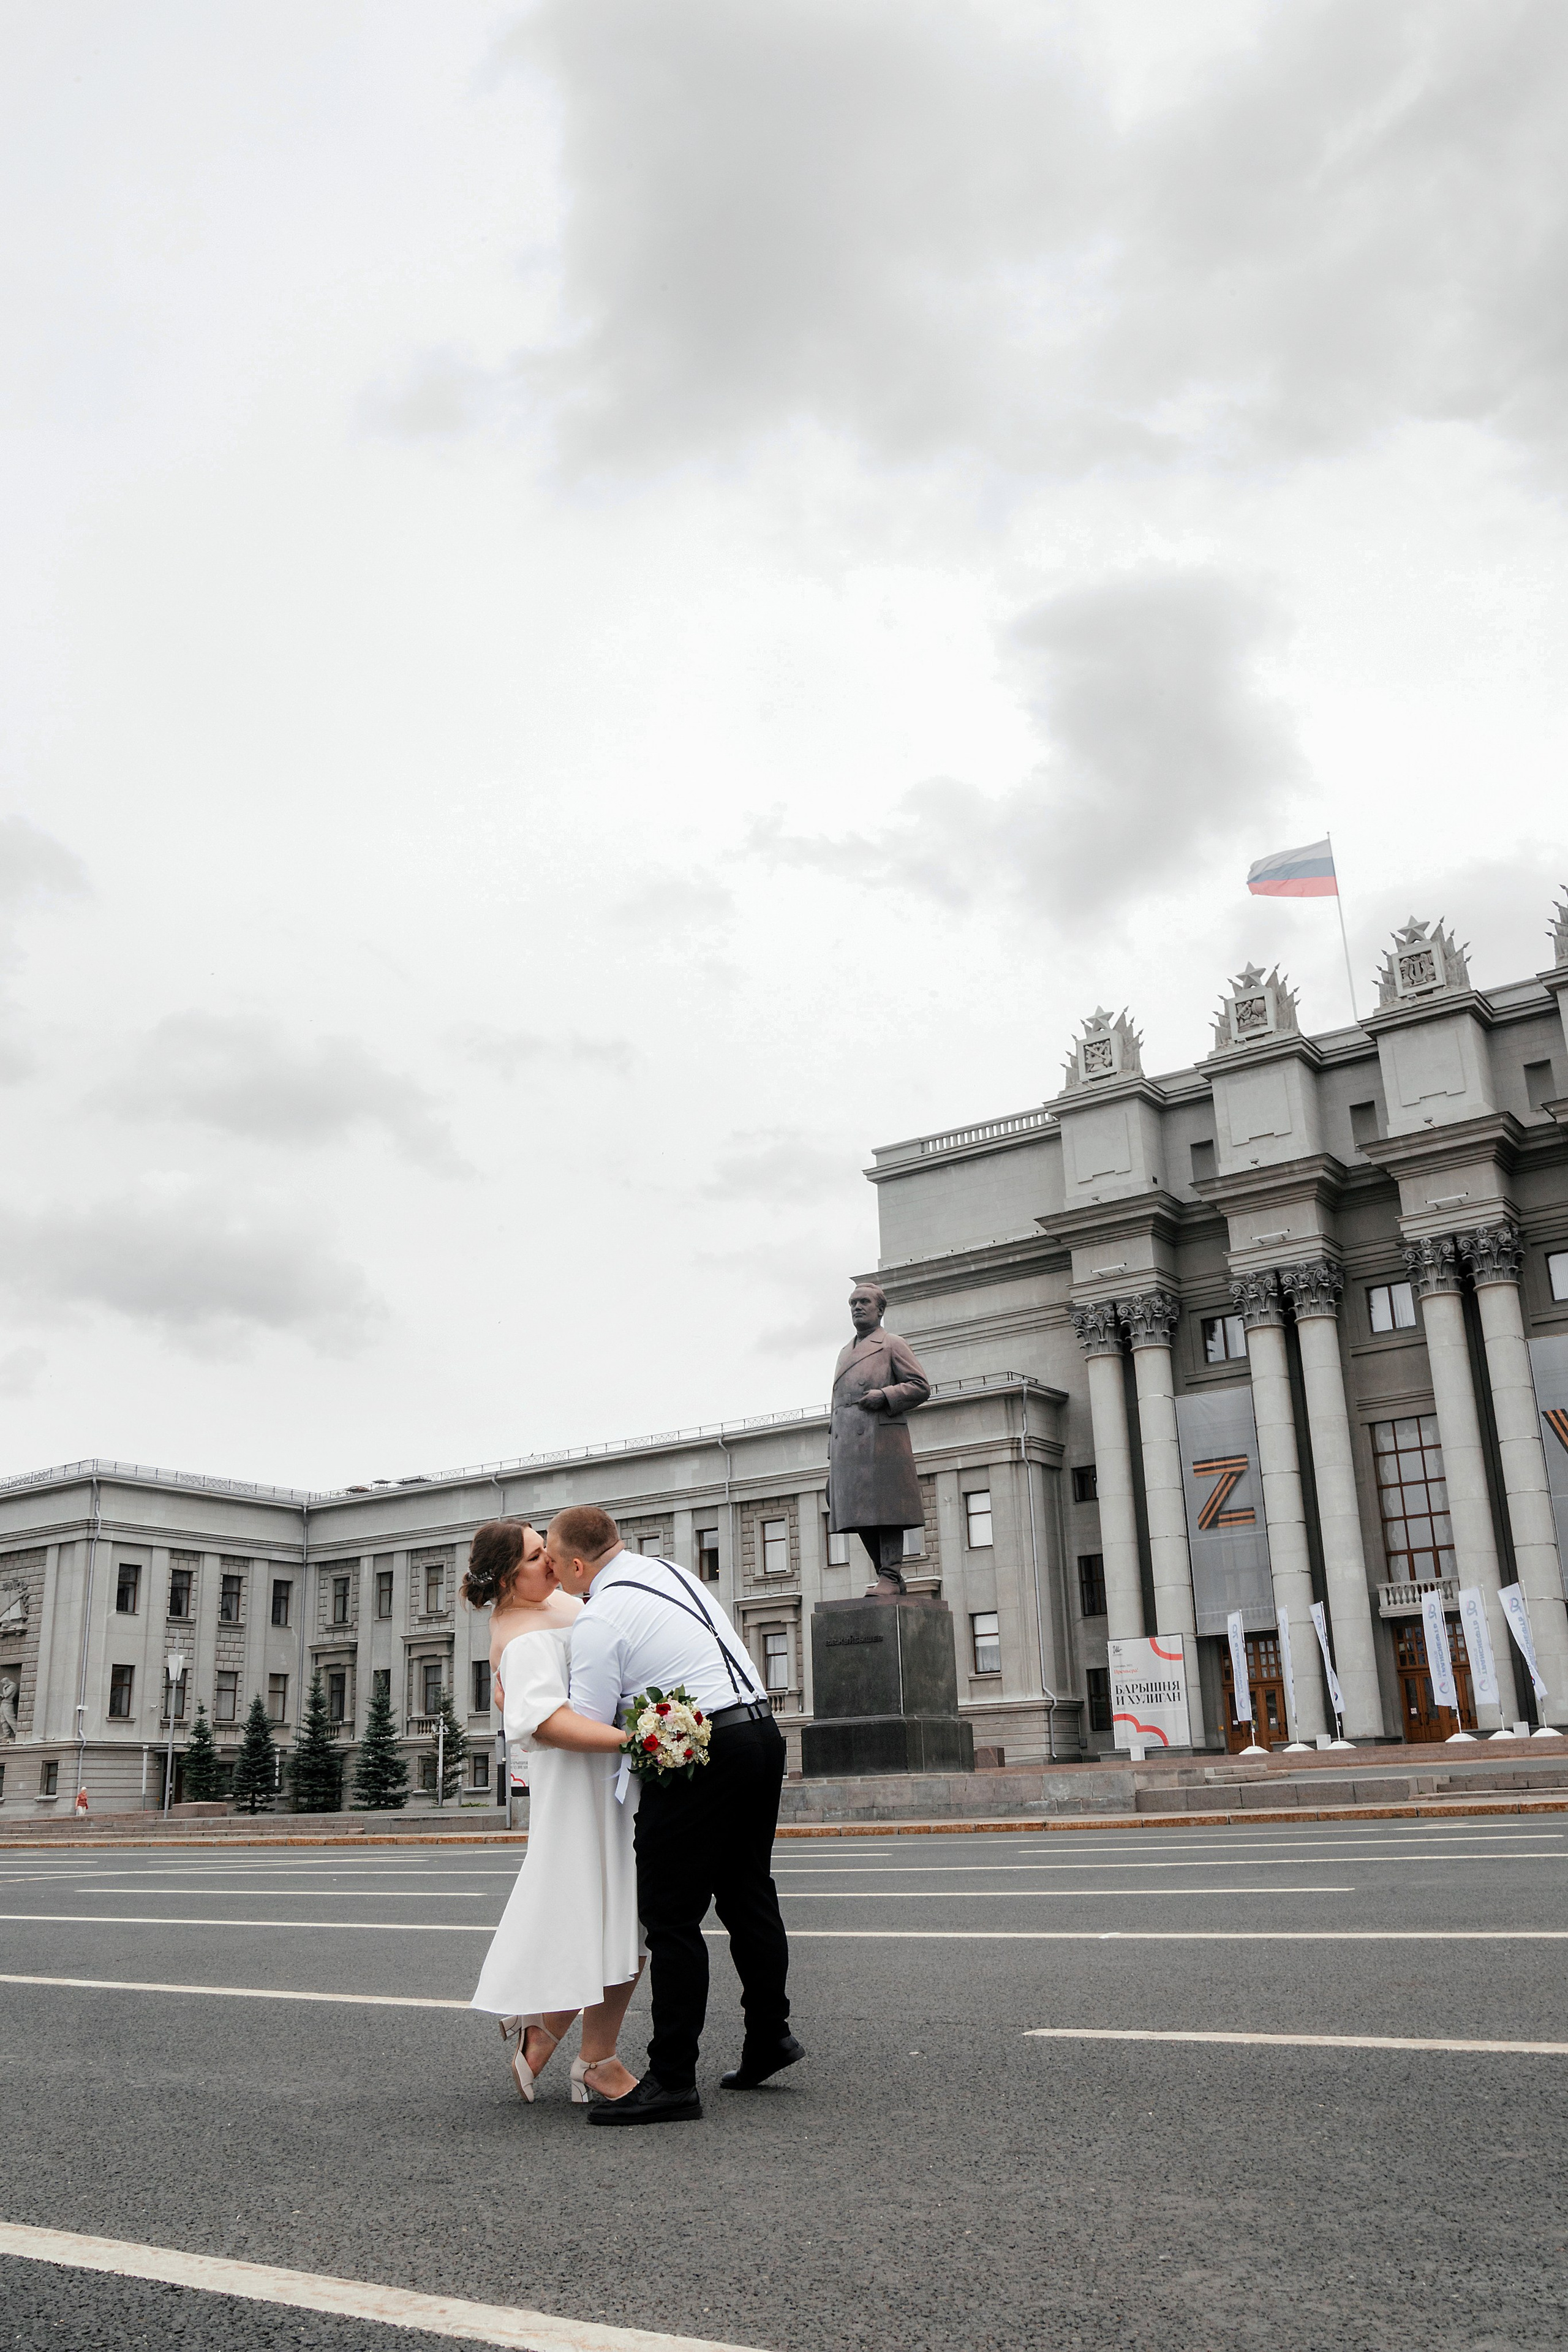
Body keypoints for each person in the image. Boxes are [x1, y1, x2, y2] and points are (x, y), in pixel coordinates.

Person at [538, 1503, 802, 2127]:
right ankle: (770, 2037)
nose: (551, 1571)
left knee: (670, 1917)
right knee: (747, 1894)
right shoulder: (669, 1572)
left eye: (552, 1561)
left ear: (577, 1564)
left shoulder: (600, 1618)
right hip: (761, 1734)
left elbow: (591, 1720)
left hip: (699, 1748)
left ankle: (672, 2079)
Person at [466, 1518, 644, 2106]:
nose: (552, 1560)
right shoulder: (515, 1634)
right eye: (537, 1556)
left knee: (629, 1919)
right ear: (505, 1577)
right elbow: (544, 1723)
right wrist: (637, 1740)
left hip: (613, 1779)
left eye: (547, 1549)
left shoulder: (563, 1601)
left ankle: (553, 2037)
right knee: (589, 1916)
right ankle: (587, 2055)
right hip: (575, 1785)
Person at [827, 1281, 932, 1596]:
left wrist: (885, 1396)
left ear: (880, 1310)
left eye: (864, 1302)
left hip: (880, 1441)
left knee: (885, 1510)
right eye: (853, 1303)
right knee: (856, 1513)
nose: (857, 1308)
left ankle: (890, 1573)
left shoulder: (892, 1344)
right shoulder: (845, 1351)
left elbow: (920, 1386)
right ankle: (888, 1577)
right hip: (847, 1446)